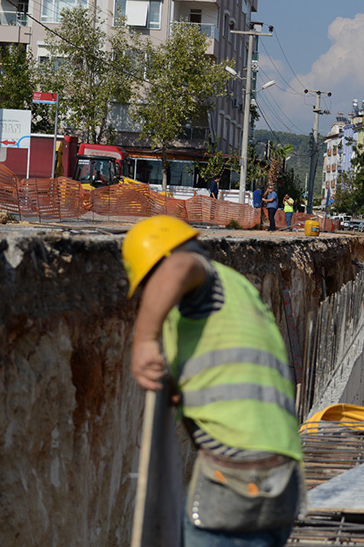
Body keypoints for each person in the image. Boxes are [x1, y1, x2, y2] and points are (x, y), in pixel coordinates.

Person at [122, 216, 304, 546]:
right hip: (283, 475)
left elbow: (178, 267)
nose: (151, 296)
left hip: (238, 477)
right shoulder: (238, 290)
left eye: (149, 284)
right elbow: (228, 365)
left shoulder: (197, 273)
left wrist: (145, 340)